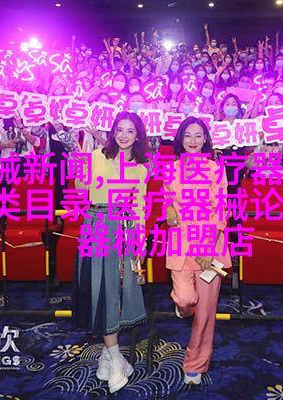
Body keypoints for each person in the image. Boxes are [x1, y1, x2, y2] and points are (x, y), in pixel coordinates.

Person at [73, 111, 149, 393]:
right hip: (95, 225)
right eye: (120, 129)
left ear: (138, 135)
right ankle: (115, 357)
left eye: (130, 131)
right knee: (99, 288)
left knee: (116, 289)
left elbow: (139, 206)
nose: (124, 135)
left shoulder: (140, 168)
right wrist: (82, 161)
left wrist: (141, 240)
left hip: (122, 227)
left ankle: (110, 356)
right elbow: (80, 188)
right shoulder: (96, 156)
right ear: (113, 132)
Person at [164, 116, 231, 385]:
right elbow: (167, 201)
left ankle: (196, 362)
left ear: (205, 139)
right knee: (185, 299)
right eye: (188, 135)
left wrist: (208, 247)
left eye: (198, 135)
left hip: (210, 247)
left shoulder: (215, 169)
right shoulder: (171, 169)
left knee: (205, 313)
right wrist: (168, 210)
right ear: (181, 139)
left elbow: (221, 208)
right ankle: (184, 309)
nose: (192, 140)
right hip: (181, 245)